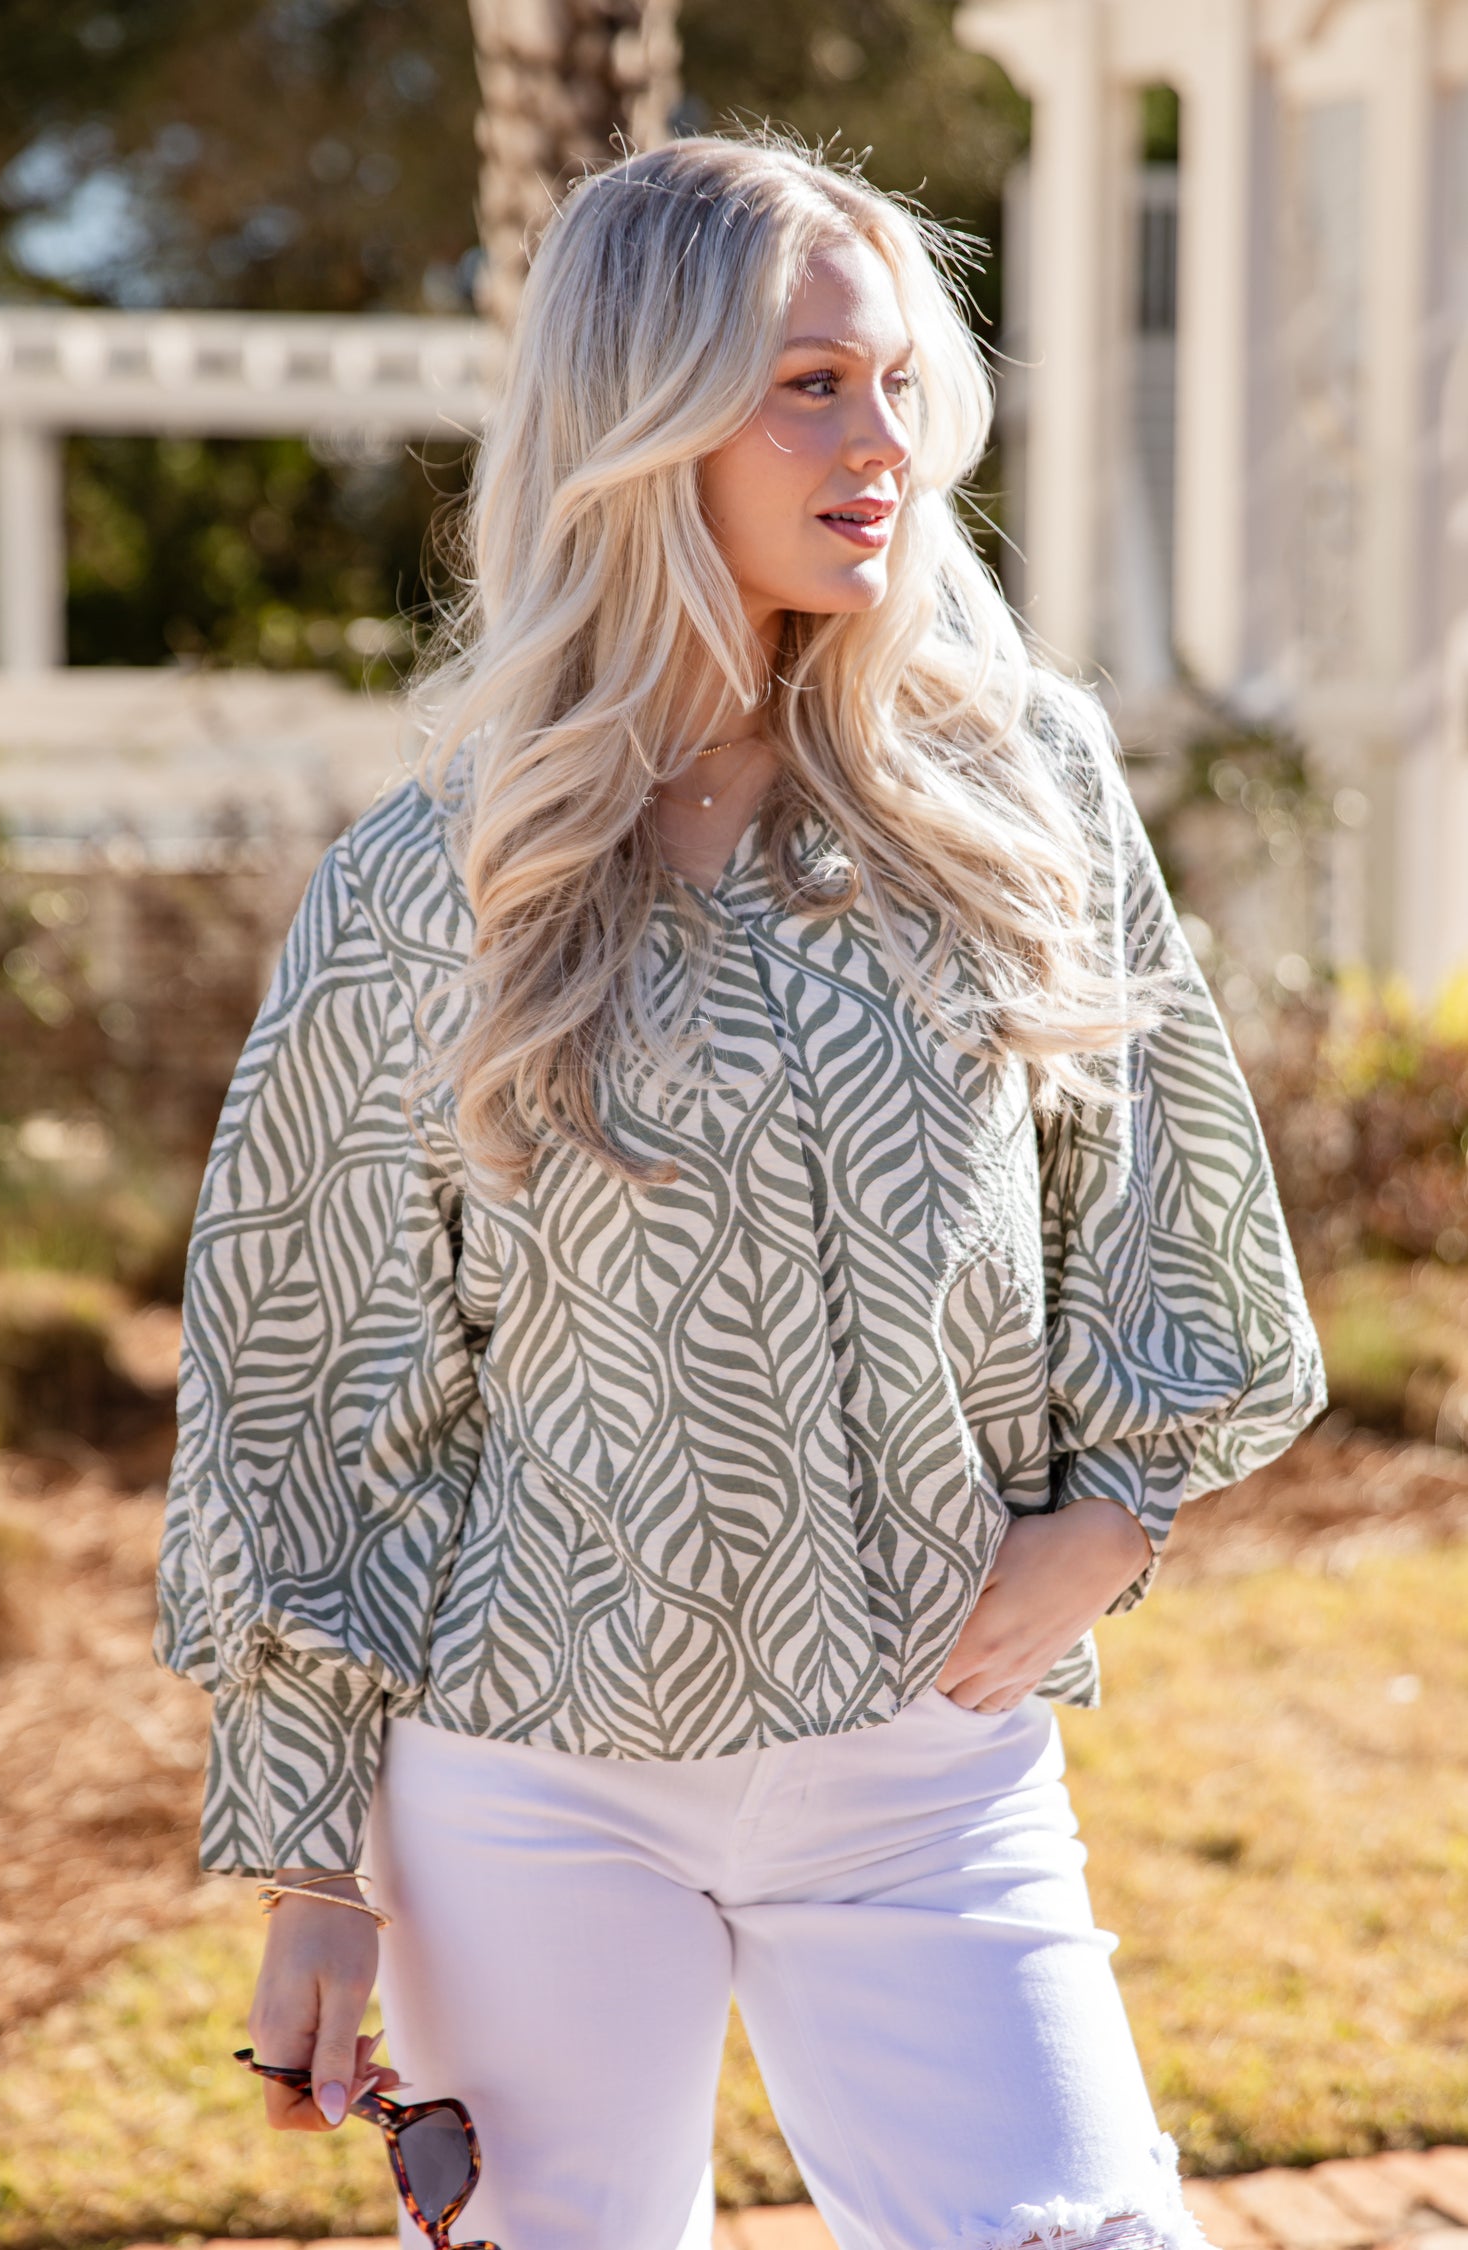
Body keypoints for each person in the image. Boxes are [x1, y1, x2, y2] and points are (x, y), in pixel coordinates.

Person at [155, 132, 1325, 2250]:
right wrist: (313, 1873)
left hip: (924, 1765)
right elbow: (310, 1387)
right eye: (810, 386)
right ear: (643, 415)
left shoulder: (1014, 787)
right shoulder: (443, 882)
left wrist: (1118, 1511)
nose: (883, 443)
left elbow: (1174, 1199)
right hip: (529, 1785)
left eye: (897, 386)